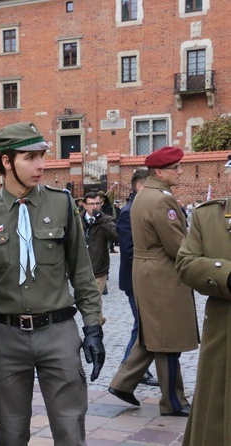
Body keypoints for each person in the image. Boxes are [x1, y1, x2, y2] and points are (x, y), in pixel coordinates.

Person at [0, 122, 104, 445]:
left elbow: (82, 272)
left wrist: (93, 329)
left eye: (42, 155)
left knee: (71, 431)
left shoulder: (62, 204)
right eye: (30, 157)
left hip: (58, 333)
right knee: (11, 433)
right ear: (6, 162)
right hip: (5, 337)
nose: (41, 165)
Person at [108, 146, 198, 417]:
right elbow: (176, 246)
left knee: (151, 336)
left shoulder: (143, 194)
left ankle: (122, 383)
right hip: (162, 276)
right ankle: (173, 401)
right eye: (175, 168)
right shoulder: (162, 200)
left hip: (146, 271)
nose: (180, 172)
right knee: (167, 339)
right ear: (160, 172)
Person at [176, 156, 231, 445]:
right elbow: (186, 263)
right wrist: (226, 276)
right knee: (217, 419)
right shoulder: (208, 217)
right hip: (224, 337)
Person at [117, 169, 158, 386]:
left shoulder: (143, 209)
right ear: (139, 187)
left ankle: (132, 370)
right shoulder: (128, 212)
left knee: (142, 325)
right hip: (135, 280)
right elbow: (129, 251)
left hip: (144, 280)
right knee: (141, 326)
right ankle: (129, 371)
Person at [81, 191, 118, 323]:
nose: (94, 207)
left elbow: (115, 236)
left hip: (98, 269)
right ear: (84, 205)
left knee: (94, 301)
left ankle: (94, 332)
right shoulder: (77, 220)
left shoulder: (106, 220)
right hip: (81, 269)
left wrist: (101, 220)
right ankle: (98, 320)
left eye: (97, 203)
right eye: (91, 204)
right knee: (87, 301)